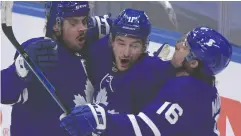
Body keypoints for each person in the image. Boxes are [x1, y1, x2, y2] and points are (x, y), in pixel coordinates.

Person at [60, 26, 232, 136]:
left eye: (186, 47)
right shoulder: (206, 86)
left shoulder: (186, 90)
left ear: (193, 63)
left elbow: (146, 129)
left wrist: (101, 119)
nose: (179, 45)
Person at [59, 8, 181, 136]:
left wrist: (175, 65)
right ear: (111, 41)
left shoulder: (152, 70)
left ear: (145, 47)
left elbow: (183, 74)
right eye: (121, 43)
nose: (126, 53)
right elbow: (66, 39)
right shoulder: (99, 52)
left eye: (134, 46)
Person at [1, 1, 111, 136]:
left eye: (84, 21)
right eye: (74, 23)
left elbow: (115, 27)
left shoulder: (88, 48)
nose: (82, 28)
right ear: (56, 25)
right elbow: (4, 94)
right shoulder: (39, 52)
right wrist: (19, 69)